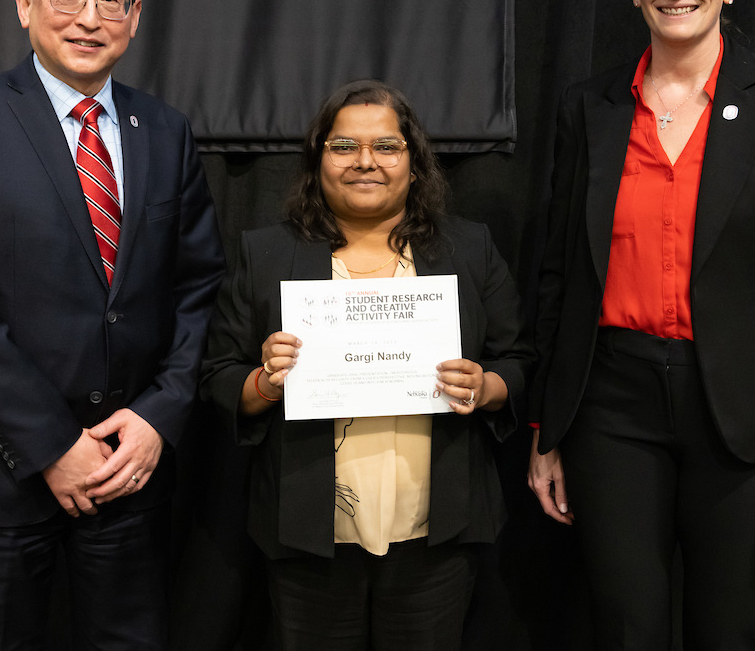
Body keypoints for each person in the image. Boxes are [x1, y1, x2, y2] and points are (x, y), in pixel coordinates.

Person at [526, 0, 755, 649]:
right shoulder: (590, 106)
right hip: (612, 407)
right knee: (626, 628)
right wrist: (547, 428)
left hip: (742, 410)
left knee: (730, 630)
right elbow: (559, 275)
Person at [0, 0, 224, 649]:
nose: (89, 18)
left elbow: (199, 286)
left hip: (128, 474)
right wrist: (52, 445)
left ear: (135, 17)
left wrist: (158, 416)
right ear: (24, 4)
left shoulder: (166, 131)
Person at [201, 80, 531, 650]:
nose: (365, 162)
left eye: (386, 146)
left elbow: (519, 359)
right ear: (317, 158)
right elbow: (218, 376)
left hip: (436, 532)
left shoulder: (467, 248)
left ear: (413, 159)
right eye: (343, 146)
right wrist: (264, 382)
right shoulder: (267, 254)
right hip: (309, 533)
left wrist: (486, 384)